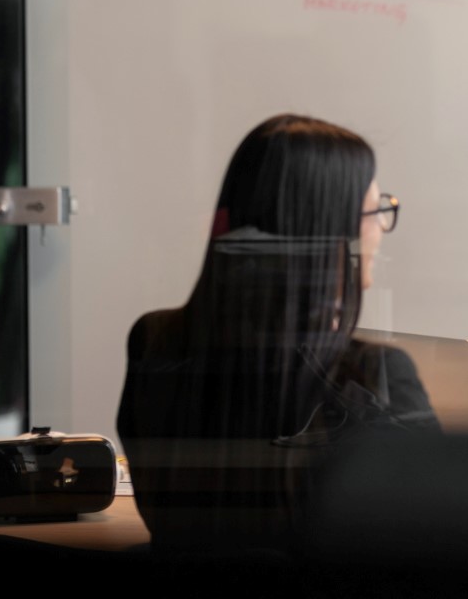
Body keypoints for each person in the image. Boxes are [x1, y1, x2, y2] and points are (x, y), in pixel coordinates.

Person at [116, 113, 439, 551]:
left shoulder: (155, 342)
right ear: (327, 229)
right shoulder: (373, 374)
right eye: (375, 212)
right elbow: (434, 538)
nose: (381, 230)